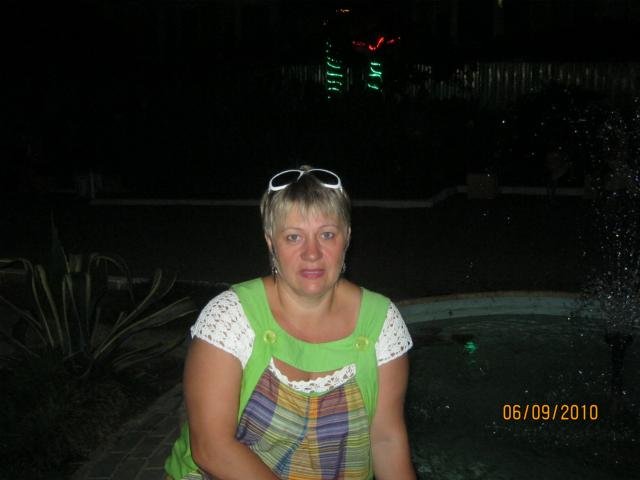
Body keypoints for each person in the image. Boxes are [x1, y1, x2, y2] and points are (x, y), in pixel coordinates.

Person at [165, 166, 415, 480]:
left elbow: (386, 439)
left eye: (327, 234)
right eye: (294, 237)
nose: (312, 253)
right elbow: (211, 448)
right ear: (271, 242)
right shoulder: (230, 317)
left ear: (347, 237)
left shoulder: (380, 322)